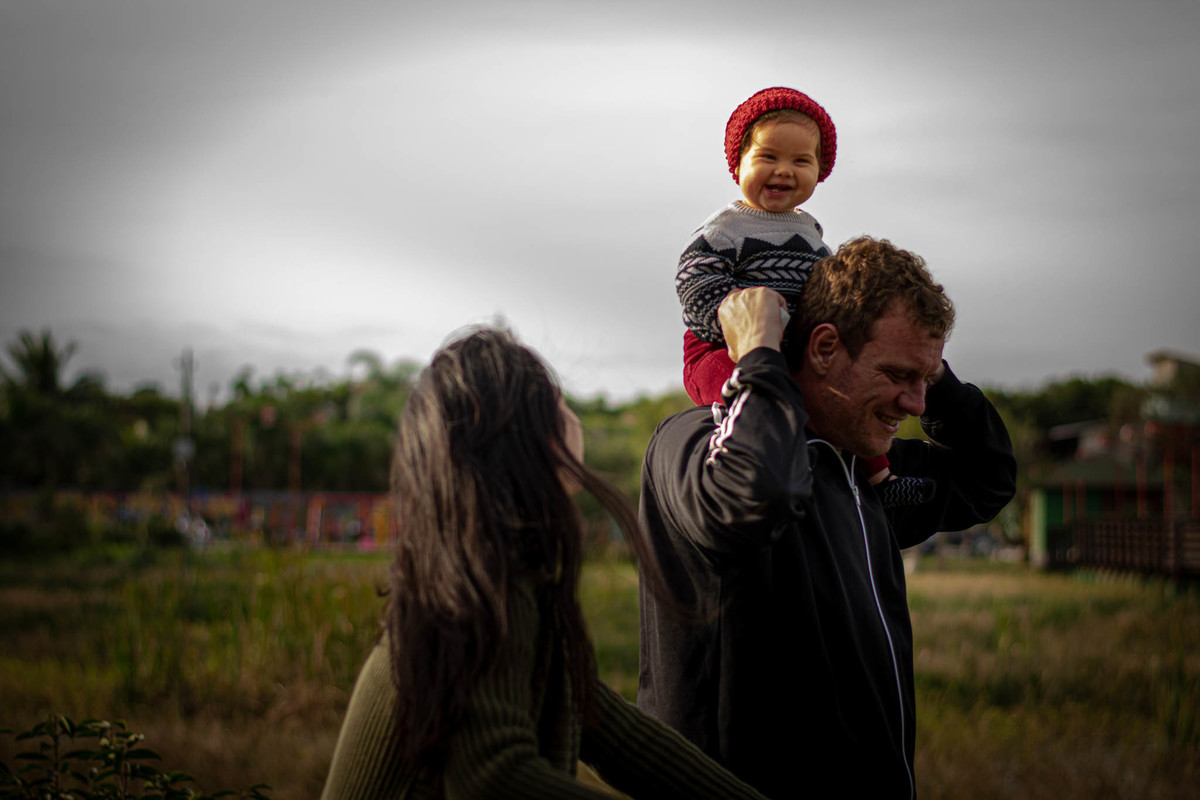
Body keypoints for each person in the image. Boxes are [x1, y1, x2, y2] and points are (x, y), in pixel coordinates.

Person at [320, 327, 771, 799]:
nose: (570, 413)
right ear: (522, 435)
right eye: (556, 400)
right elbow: (493, 777)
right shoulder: (485, 590)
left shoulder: (491, 579)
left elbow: (626, 741)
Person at [640, 237, 1017, 799]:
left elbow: (988, 477)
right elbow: (757, 493)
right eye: (896, 374)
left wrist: (929, 373)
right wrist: (760, 355)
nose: (916, 404)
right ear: (821, 348)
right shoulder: (693, 443)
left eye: (925, 381)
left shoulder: (862, 473)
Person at [676, 86, 929, 506]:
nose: (784, 171)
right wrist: (730, 323)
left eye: (800, 161)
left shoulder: (810, 234)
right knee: (734, 383)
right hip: (723, 345)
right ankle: (737, 439)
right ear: (737, 164)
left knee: (842, 399)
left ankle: (881, 479)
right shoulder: (726, 228)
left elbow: (828, 290)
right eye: (768, 157)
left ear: (819, 171)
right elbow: (694, 281)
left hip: (791, 347)